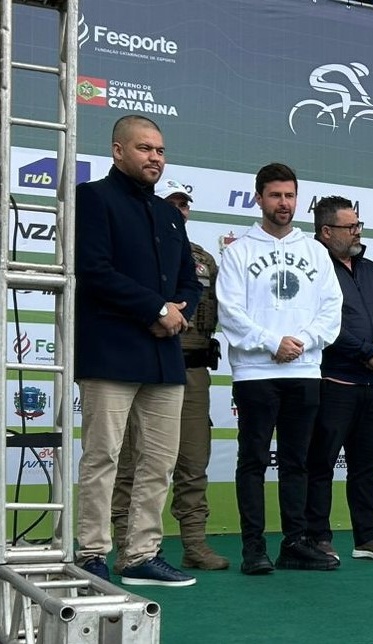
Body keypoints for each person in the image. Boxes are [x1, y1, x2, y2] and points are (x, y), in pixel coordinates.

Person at [74, 115, 200, 587]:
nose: (155, 158)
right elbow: (94, 269)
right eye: (145, 148)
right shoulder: (93, 198)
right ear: (118, 151)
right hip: (110, 351)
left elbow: (189, 281)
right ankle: (91, 553)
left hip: (164, 356)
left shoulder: (169, 215)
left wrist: (178, 311)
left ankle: (141, 555)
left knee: (158, 462)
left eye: (160, 151)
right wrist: (155, 308)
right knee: (103, 457)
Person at [217, 162, 343, 575]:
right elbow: (230, 312)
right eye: (275, 195)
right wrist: (273, 342)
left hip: (304, 370)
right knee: (253, 461)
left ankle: (295, 543)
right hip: (256, 373)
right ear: (259, 198)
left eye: (289, 195)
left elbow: (331, 310)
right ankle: (253, 548)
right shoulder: (238, 251)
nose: (283, 203)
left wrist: (301, 341)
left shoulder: (316, 252)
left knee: (297, 462)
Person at [111, 178, 229, 574]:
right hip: (142, 363)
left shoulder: (203, 260)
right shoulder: (133, 251)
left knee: (193, 462)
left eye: (183, 204)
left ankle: (194, 544)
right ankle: (127, 545)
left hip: (191, 371)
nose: (179, 211)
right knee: (132, 462)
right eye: (171, 203)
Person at [305, 196, 373, 563]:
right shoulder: (314, 269)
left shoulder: (371, 270)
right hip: (333, 384)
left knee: (368, 466)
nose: (357, 232)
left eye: (358, 225)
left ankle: (368, 537)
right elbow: (322, 323)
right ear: (326, 232)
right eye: (350, 227)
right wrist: (365, 350)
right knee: (321, 465)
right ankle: (318, 537)